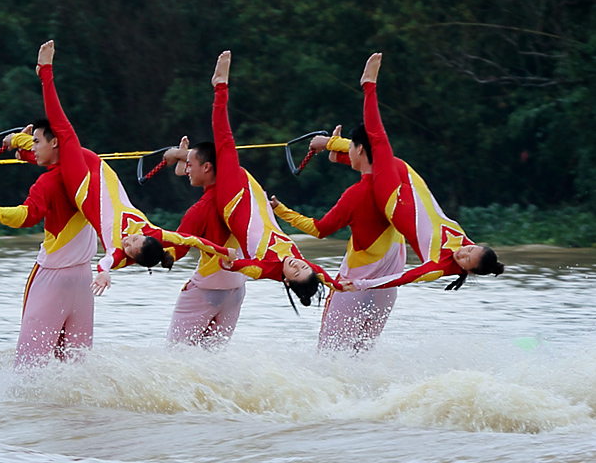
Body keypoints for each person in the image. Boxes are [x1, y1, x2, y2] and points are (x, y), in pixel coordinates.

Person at [35, 40, 233, 296]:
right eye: (134, 242)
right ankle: (24, 149)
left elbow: (105, 262)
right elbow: (192, 240)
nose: (128, 242)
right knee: (57, 152)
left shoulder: (117, 253)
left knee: (64, 134)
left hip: (82, 185)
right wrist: (224, 251)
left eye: (129, 248)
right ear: (147, 239)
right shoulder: (154, 232)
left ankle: (45, 72)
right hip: (104, 174)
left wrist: (104, 273)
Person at [342, 53, 504, 291]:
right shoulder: (466, 244)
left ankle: (369, 85)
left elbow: (403, 278)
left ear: (467, 270)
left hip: (393, 201)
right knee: (383, 159)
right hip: (414, 187)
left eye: (466, 259)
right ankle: (336, 153)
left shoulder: (438, 266)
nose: (463, 252)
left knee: (378, 143)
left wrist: (360, 285)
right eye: (470, 249)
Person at [0, 118, 98, 368]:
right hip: (84, 282)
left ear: (54, 142)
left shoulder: (46, 183)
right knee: (76, 366)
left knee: (29, 364)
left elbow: (25, 217)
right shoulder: (87, 170)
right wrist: (19, 143)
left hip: (52, 279)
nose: (33, 147)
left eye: (36, 142)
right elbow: (57, 157)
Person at [208, 51, 341, 309]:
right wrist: (340, 286)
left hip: (235, 204)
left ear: (287, 282)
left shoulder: (265, 269)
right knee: (218, 154)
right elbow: (322, 274)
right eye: (303, 266)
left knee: (225, 145)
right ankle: (183, 158)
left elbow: (236, 265)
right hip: (258, 203)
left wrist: (229, 260)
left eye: (295, 271)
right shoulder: (301, 264)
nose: (297, 264)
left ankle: (219, 86)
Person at [269, 121, 406, 352]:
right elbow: (377, 162)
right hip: (386, 291)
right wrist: (335, 151)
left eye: (351, 146)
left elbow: (319, 229)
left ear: (359, 148)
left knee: (329, 357)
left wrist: (280, 210)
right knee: (361, 357)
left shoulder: (355, 195)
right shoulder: (397, 183)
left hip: (350, 287)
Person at [160, 137, 246, 347]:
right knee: (213, 360)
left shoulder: (199, 211)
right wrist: (181, 155)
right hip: (236, 290)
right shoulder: (243, 192)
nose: (187, 170)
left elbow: (176, 251)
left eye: (191, 165)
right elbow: (224, 165)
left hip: (206, 290)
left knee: (176, 356)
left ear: (207, 167)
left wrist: (143, 250)